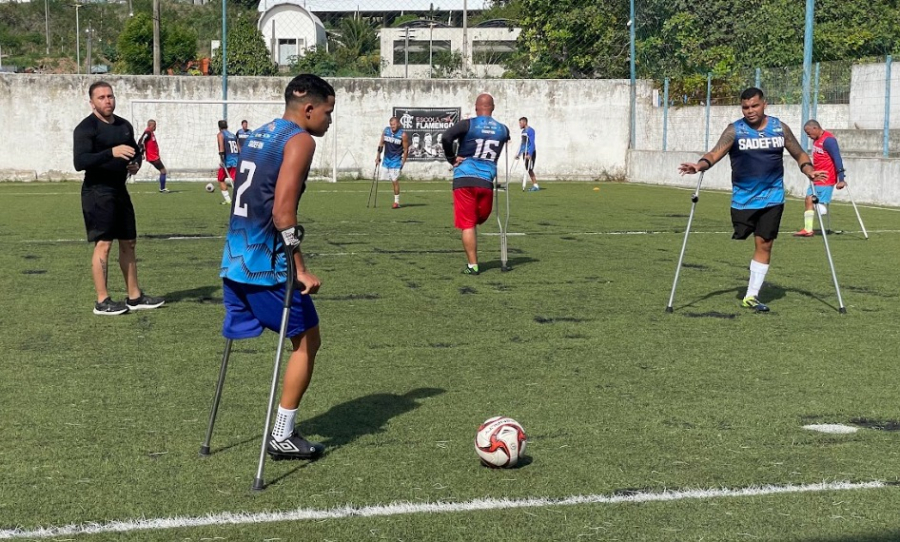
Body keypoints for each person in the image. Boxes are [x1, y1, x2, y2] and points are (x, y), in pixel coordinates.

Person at [219, 73, 335, 460]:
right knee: (307, 341)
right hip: (266, 268)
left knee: (303, 337)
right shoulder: (299, 140)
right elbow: (284, 214)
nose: (329, 121)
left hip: (233, 261)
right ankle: (282, 434)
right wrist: (299, 267)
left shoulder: (257, 133)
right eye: (328, 112)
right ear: (308, 108)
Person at [678, 87, 825, 312]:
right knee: (744, 236)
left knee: (764, 242)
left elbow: (799, 153)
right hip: (743, 200)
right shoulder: (734, 130)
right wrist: (700, 165)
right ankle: (752, 287)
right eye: (745, 107)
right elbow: (714, 154)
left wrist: (809, 170)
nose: (750, 111)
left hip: (773, 197)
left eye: (754, 106)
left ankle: (752, 295)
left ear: (764, 104)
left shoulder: (779, 128)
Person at [73, 81, 165, 316]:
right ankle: (102, 301)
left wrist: (135, 165)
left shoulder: (124, 126)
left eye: (110, 96)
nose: (107, 101)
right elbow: (80, 162)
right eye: (101, 97)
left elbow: (135, 152)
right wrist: (110, 153)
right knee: (103, 244)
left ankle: (134, 296)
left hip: (119, 190)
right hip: (97, 191)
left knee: (129, 242)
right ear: (92, 102)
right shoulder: (86, 128)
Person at [441, 93, 510, 275]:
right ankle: (473, 263)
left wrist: (451, 158)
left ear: (476, 107)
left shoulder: (468, 124)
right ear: (493, 108)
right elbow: (505, 142)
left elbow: (447, 137)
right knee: (478, 219)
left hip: (463, 178)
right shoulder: (503, 129)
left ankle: (473, 266)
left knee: (468, 223)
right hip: (486, 180)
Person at [794, 119, 847, 237]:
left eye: (809, 133)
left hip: (826, 178)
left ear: (815, 128)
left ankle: (821, 211)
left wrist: (841, 179)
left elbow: (837, 158)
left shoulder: (829, 140)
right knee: (808, 199)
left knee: (817, 204)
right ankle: (808, 229)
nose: (808, 136)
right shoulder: (816, 140)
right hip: (816, 178)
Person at [375, 116, 409, 209]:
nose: (392, 126)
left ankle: (396, 202)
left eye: (394, 124)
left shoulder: (403, 135)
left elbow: (406, 150)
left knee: (394, 181)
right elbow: (381, 143)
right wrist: (378, 156)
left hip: (396, 161)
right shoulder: (386, 131)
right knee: (383, 179)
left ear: (398, 124)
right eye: (391, 125)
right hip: (386, 160)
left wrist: (403, 163)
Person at [137, 119, 169, 193]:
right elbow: (141, 141)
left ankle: (162, 188)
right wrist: (141, 153)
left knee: (163, 171)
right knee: (163, 171)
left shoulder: (150, 132)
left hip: (154, 156)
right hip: (153, 157)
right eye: (154, 126)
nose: (155, 127)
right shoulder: (147, 132)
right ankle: (162, 188)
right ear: (150, 125)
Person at [216, 120, 238, 205]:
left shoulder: (220, 134)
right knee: (237, 181)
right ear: (227, 126)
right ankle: (241, 199)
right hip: (237, 159)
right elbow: (239, 148)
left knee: (220, 179)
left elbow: (221, 148)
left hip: (228, 161)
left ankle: (228, 200)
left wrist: (222, 160)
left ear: (219, 127)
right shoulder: (233, 135)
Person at [517, 117, 539, 191]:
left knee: (530, 168)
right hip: (525, 152)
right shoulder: (523, 132)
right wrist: (519, 154)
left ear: (524, 122)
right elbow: (523, 144)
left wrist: (530, 153)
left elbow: (532, 143)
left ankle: (536, 186)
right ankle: (535, 185)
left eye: (520, 123)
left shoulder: (531, 130)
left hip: (531, 152)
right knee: (527, 168)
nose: (519, 125)